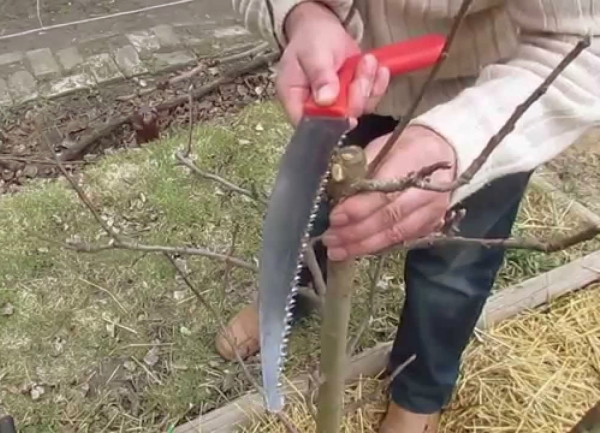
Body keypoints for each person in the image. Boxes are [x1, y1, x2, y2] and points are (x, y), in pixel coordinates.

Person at [218, 1, 600, 432]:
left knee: (455, 264)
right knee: (321, 207)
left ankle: (418, 396)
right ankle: (289, 299)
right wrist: (300, 14)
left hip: (496, 88)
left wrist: (462, 144)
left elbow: (587, 42)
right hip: (353, 73)